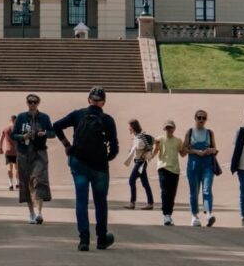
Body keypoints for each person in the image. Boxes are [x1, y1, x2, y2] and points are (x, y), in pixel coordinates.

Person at [53, 86, 118, 252]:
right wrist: (106, 158)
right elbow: (115, 148)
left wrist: (67, 144)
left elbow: (56, 126)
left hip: (79, 162)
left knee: (81, 200)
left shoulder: (77, 114)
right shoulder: (107, 119)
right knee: (100, 202)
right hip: (99, 166)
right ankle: (102, 238)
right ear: (103, 102)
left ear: (89, 99)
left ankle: (84, 239)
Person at [12, 94, 54, 224]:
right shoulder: (21, 117)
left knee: (39, 181)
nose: (32, 104)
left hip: (39, 153)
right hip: (24, 153)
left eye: (35, 102)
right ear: (27, 103)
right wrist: (22, 137)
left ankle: (39, 213)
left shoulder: (45, 117)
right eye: (30, 102)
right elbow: (13, 134)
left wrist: (45, 133)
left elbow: (53, 133)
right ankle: (31, 213)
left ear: (38, 103)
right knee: (26, 183)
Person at [182, 110, 218, 227]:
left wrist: (210, 150)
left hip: (207, 164)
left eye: (204, 118)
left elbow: (215, 149)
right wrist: (196, 151)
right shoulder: (190, 132)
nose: (201, 120)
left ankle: (208, 213)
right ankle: (194, 215)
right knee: (194, 191)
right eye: (199, 118)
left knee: (207, 189)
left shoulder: (209, 132)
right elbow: (184, 149)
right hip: (193, 164)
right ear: (195, 118)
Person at [152, 120, 186, 226]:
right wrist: (154, 147)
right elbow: (154, 153)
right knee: (165, 191)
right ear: (164, 129)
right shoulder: (159, 139)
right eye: (167, 128)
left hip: (175, 169)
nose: (169, 129)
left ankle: (169, 215)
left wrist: (189, 147)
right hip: (163, 167)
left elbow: (182, 154)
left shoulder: (178, 141)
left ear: (174, 129)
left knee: (172, 193)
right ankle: (166, 214)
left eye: (170, 127)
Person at [122, 119, 153, 211]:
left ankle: (132, 203)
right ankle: (150, 203)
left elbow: (144, 146)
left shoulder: (140, 136)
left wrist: (137, 147)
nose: (129, 129)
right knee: (145, 183)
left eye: (130, 127)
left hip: (141, 162)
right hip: (138, 162)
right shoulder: (137, 136)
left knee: (131, 180)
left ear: (133, 127)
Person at [0, 115, 19, 191]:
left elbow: (1, 140)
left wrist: (0, 148)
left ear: (10, 120)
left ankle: (10, 184)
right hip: (17, 151)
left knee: (9, 168)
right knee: (17, 168)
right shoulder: (18, 129)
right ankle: (17, 182)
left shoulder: (5, 128)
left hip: (8, 151)